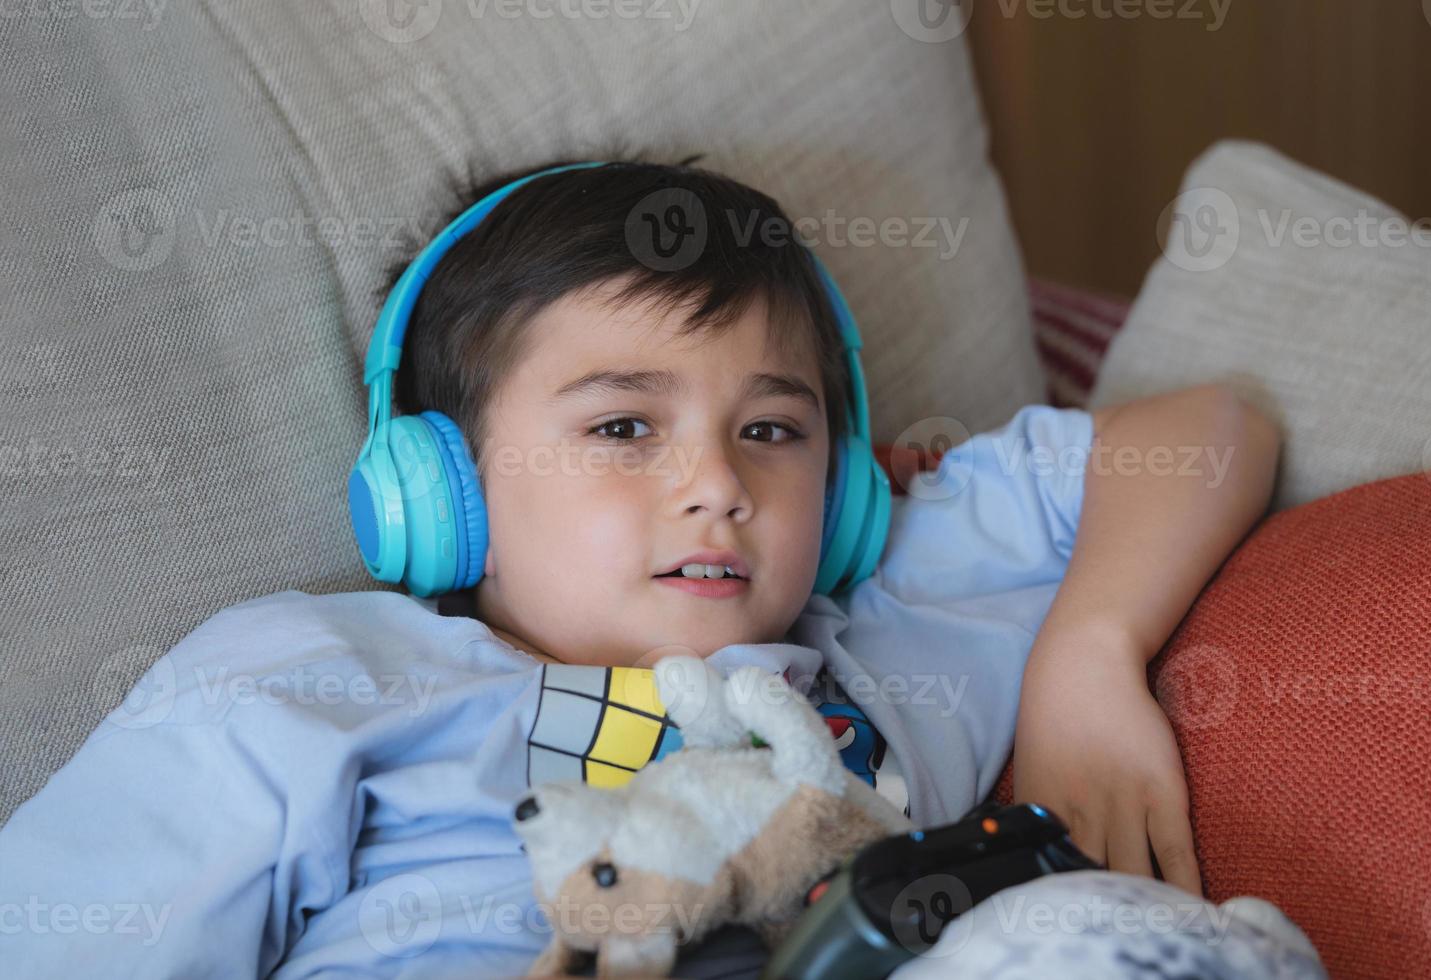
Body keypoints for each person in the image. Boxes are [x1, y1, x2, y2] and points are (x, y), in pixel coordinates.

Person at [0, 157, 1288, 978]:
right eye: (623, 427)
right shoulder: (309, 682)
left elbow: (1210, 429)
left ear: (839, 498)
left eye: (773, 431)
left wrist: (1089, 654)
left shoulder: (884, 633)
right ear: (439, 495)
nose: (720, 483)